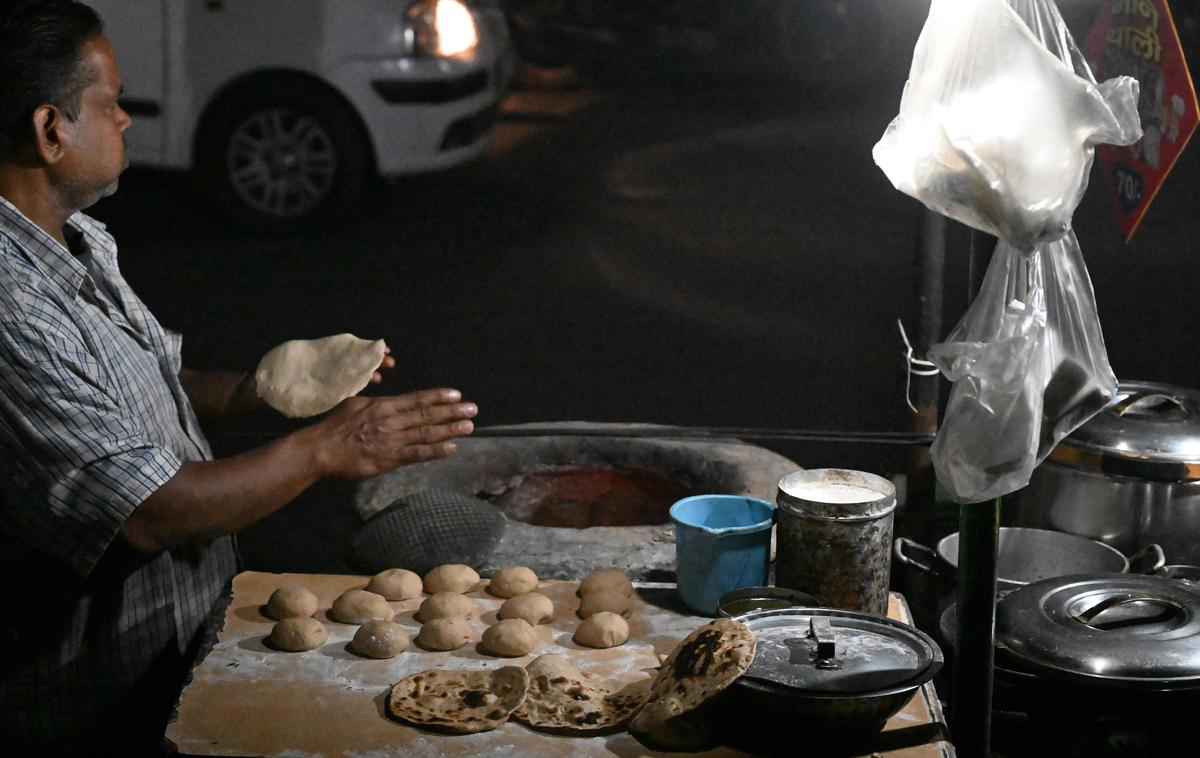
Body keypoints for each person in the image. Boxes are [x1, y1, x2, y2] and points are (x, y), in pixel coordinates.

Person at [0, 2, 479, 755]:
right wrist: (325, 447)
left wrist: (268, 386)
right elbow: (147, 514)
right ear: (49, 130)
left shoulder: (79, 240)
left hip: (184, 646)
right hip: (98, 703)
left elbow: (149, 385)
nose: (126, 119)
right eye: (111, 102)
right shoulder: (10, 308)